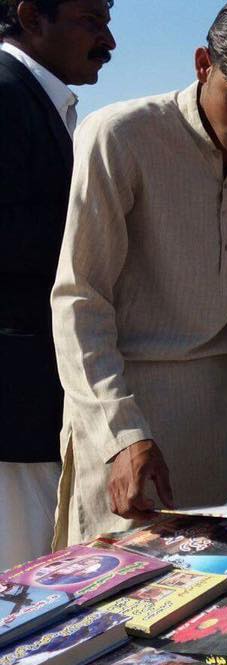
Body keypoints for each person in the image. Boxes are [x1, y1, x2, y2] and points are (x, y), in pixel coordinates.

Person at [50, 0, 227, 545]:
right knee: (126, 606)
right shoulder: (118, 136)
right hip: (129, 423)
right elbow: (81, 300)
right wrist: (121, 436)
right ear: (202, 65)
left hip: (222, 425)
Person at [0, 0, 115, 569]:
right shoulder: (5, 94)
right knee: (21, 584)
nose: (109, 42)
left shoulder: (40, 102)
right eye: (92, 22)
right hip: (14, 408)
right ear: (30, 16)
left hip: (33, 403)